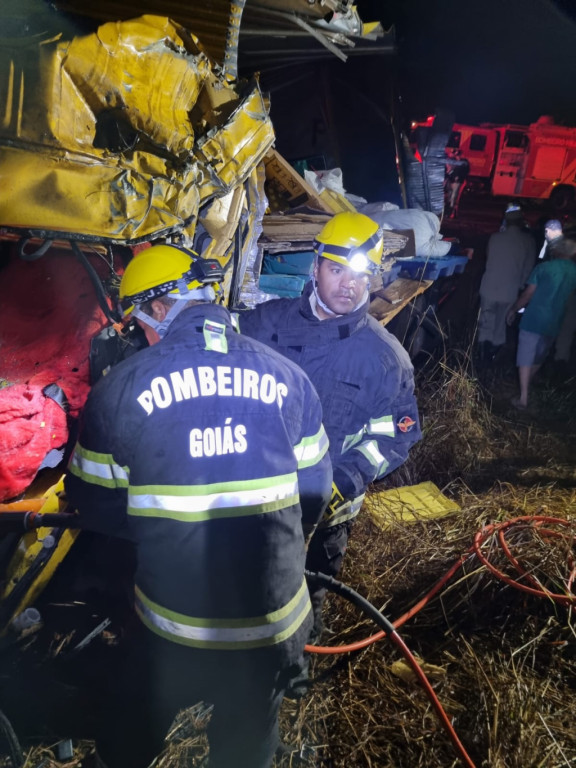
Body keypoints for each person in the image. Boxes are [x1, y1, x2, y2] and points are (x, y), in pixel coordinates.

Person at [64, 244, 332, 768]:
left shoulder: (121, 389)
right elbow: (315, 497)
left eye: (139, 320)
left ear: (160, 308)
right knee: (245, 745)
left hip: (176, 629)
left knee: (133, 733)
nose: (139, 334)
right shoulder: (289, 378)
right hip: (275, 625)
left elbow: (95, 506)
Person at [238, 212, 421, 669]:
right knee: (239, 585)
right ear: (315, 265)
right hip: (248, 497)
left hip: (328, 512)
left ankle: (297, 672)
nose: (348, 285)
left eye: (360, 275)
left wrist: (349, 476)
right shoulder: (260, 327)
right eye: (337, 269)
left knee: (308, 592)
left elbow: (396, 434)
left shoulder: (384, 358)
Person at [506, 238, 576, 409]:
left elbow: (528, 294)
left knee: (525, 355)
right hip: (555, 320)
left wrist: (514, 309)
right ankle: (525, 387)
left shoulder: (544, 268)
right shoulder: (574, 271)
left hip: (534, 318)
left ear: (556, 251)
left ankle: (523, 398)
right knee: (539, 356)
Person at [477, 208, 536, 363]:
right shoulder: (528, 241)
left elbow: (488, 260)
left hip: (489, 287)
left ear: (506, 221)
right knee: (500, 327)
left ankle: (481, 360)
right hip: (509, 291)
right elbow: (528, 269)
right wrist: (521, 287)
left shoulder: (495, 238)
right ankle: (491, 359)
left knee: (486, 324)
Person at [445, 148, 470, 218]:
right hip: (453, 180)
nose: (456, 156)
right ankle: (450, 212)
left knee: (454, 197)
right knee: (451, 197)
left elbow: (465, 172)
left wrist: (459, 178)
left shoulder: (464, 162)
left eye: (457, 154)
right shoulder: (454, 161)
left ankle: (452, 213)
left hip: (458, 181)